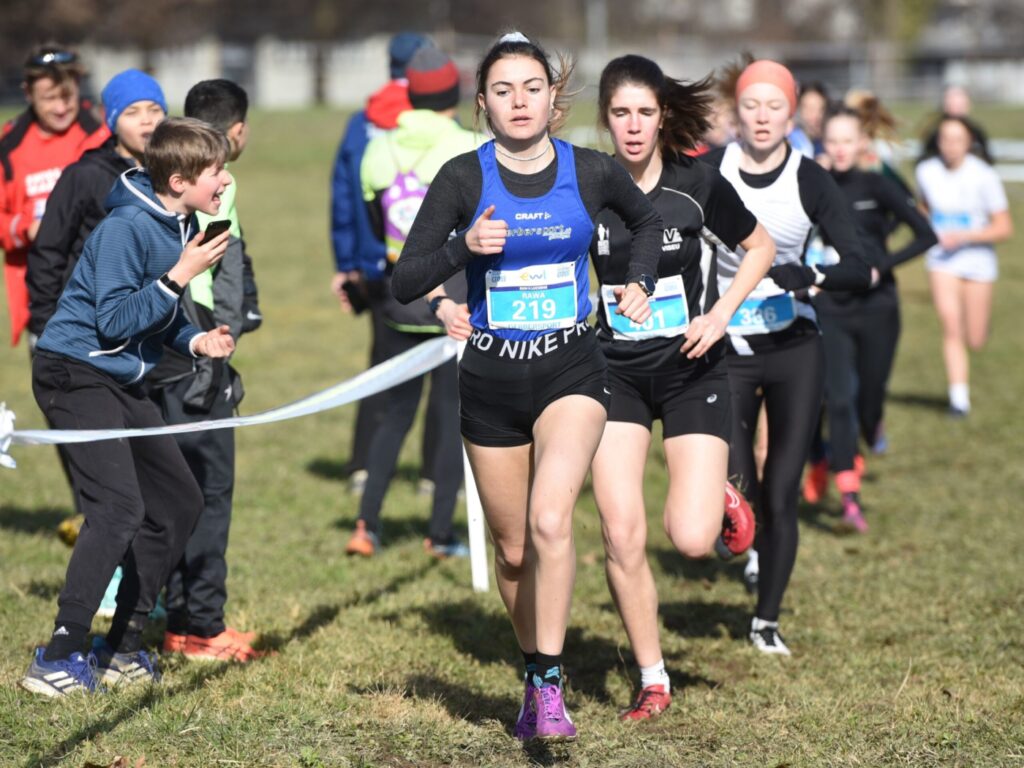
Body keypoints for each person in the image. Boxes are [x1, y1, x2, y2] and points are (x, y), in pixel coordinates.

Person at [391, 32, 661, 740]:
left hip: (572, 367)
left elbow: (648, 221)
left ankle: (547, 683)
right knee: (513, 552)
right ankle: (534, 665)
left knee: (550, 522)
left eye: (532, 88)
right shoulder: (461, 178)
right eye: (503, 90)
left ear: (552, 98)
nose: (519, 101)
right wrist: (463, 248)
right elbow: (405, 278)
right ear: (482, 104)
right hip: (489, 378)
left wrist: (638, 282)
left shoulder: (593, 170)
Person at [19, 117, 235, 697]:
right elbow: (114, 321)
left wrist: (193, 340)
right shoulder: (126, 227)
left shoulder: (178, 220)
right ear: (180, 177)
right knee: (118, 508)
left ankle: (121, 645)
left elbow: (150, 314)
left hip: (116, 377)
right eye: (216, 171)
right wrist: (179, 276)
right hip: (72, 372)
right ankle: (58, 654)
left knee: (179, 501)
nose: (224, 180)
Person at [590, 55, 774, 720]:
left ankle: (720, 492)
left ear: (663, 115)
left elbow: (760, 247)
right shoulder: (589, 184)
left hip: (692, 367)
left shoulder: (696, 180)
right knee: (620, 532)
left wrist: (720, 315)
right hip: (613, 372)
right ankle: (654, 676)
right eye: (620, 113)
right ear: (605, 118)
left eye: (645, 112)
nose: (633, 127)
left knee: (692, 540)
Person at [703, 59, 871, 655]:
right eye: (753, 105)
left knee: (780, 492)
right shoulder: (711, 170)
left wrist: (811, 273)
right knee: (736, 480)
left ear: (792, 113)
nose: (764, 116)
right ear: (737, 112)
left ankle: (765, 620)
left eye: (776, 106)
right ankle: (740, 541)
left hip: (795, 348)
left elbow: (859, 263)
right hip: (726, 348)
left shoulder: (810, 178)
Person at [25, 67, 168, 617]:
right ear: (111, 122)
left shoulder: (167, 172)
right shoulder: (85, 177)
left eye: (154, 109)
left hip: (138, 345)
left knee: (148, 474)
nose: (147, 121)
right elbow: (48, 252)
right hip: (83, 345)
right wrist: (44, 324)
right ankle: (104, 585)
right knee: (108, 482)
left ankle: (139, 583)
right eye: (134, 112)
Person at [344, 46, 479, 559]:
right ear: (453, 94)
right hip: (455, 304)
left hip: (399, 300)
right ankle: (441, 534)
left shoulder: (378, 149)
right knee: (449, 417)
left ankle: (367, 523)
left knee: (392, 418)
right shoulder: (469, 145)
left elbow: (375, 223)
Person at [151, 79, 265, 663]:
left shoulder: (150, 178)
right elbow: (225, 260)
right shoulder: (219, 182)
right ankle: (204, 628)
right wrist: (225, 333)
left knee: (175, 492)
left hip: (160, 350)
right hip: (193, 356)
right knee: (208, 491)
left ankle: (178, 622)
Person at [801, 105, 936, 529]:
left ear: (862, 143)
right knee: (838, 398)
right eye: (832, 140)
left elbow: (926, 233)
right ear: (824, 142)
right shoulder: (813, 184)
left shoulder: (877, 185)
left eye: (848, 140)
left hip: (878, 307)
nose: (840, 149)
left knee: (869, 400)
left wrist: (884, 264)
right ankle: (848, 490)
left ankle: (864, 432)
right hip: (832, 306)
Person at [329, 32, 432, 495]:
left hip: (374, 264)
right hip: (430, 264)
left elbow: (345, 195)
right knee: (444, 373)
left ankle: (363, 466)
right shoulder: (432, 119)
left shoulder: (361, 121)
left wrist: (348, 260)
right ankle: (434, 474)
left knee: (380, 365)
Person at [1, 43, 108, 348]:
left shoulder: (102, 136)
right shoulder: (9, 146)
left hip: (102, 287)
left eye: (68, 96)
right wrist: (26, 228)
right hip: (43, 294)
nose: (61, 108)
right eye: (49, 99)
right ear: (27, 93)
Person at [915, 116, 1012, 418]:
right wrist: (930, 227)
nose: (951, 146)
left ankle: (978, 328)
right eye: (945, 139)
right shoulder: (926, 171)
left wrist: (966, 235)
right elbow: (924, 208)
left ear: (969, 142)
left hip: (978, 260)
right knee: (950, 325)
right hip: (942, 261)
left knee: (975, 338)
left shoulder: (983, 175)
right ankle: (959, 399)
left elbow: (1004, 227)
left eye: (958, 139)